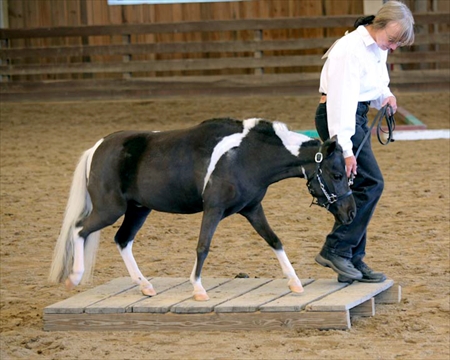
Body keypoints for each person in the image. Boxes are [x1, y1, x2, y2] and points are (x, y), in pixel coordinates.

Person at [314, 0, 415, 283]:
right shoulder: (349, 50)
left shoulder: (375, 47)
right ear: (378, 25)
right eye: (392, 40)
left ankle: (352, 259)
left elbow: (376, 82)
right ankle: (336, 249)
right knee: (370, 183)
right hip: (339, 118)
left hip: (355, 117)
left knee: (362, 184)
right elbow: (341, 102)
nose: (392, 47)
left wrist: (386, 96)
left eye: (397, 44)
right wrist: (344, 149)